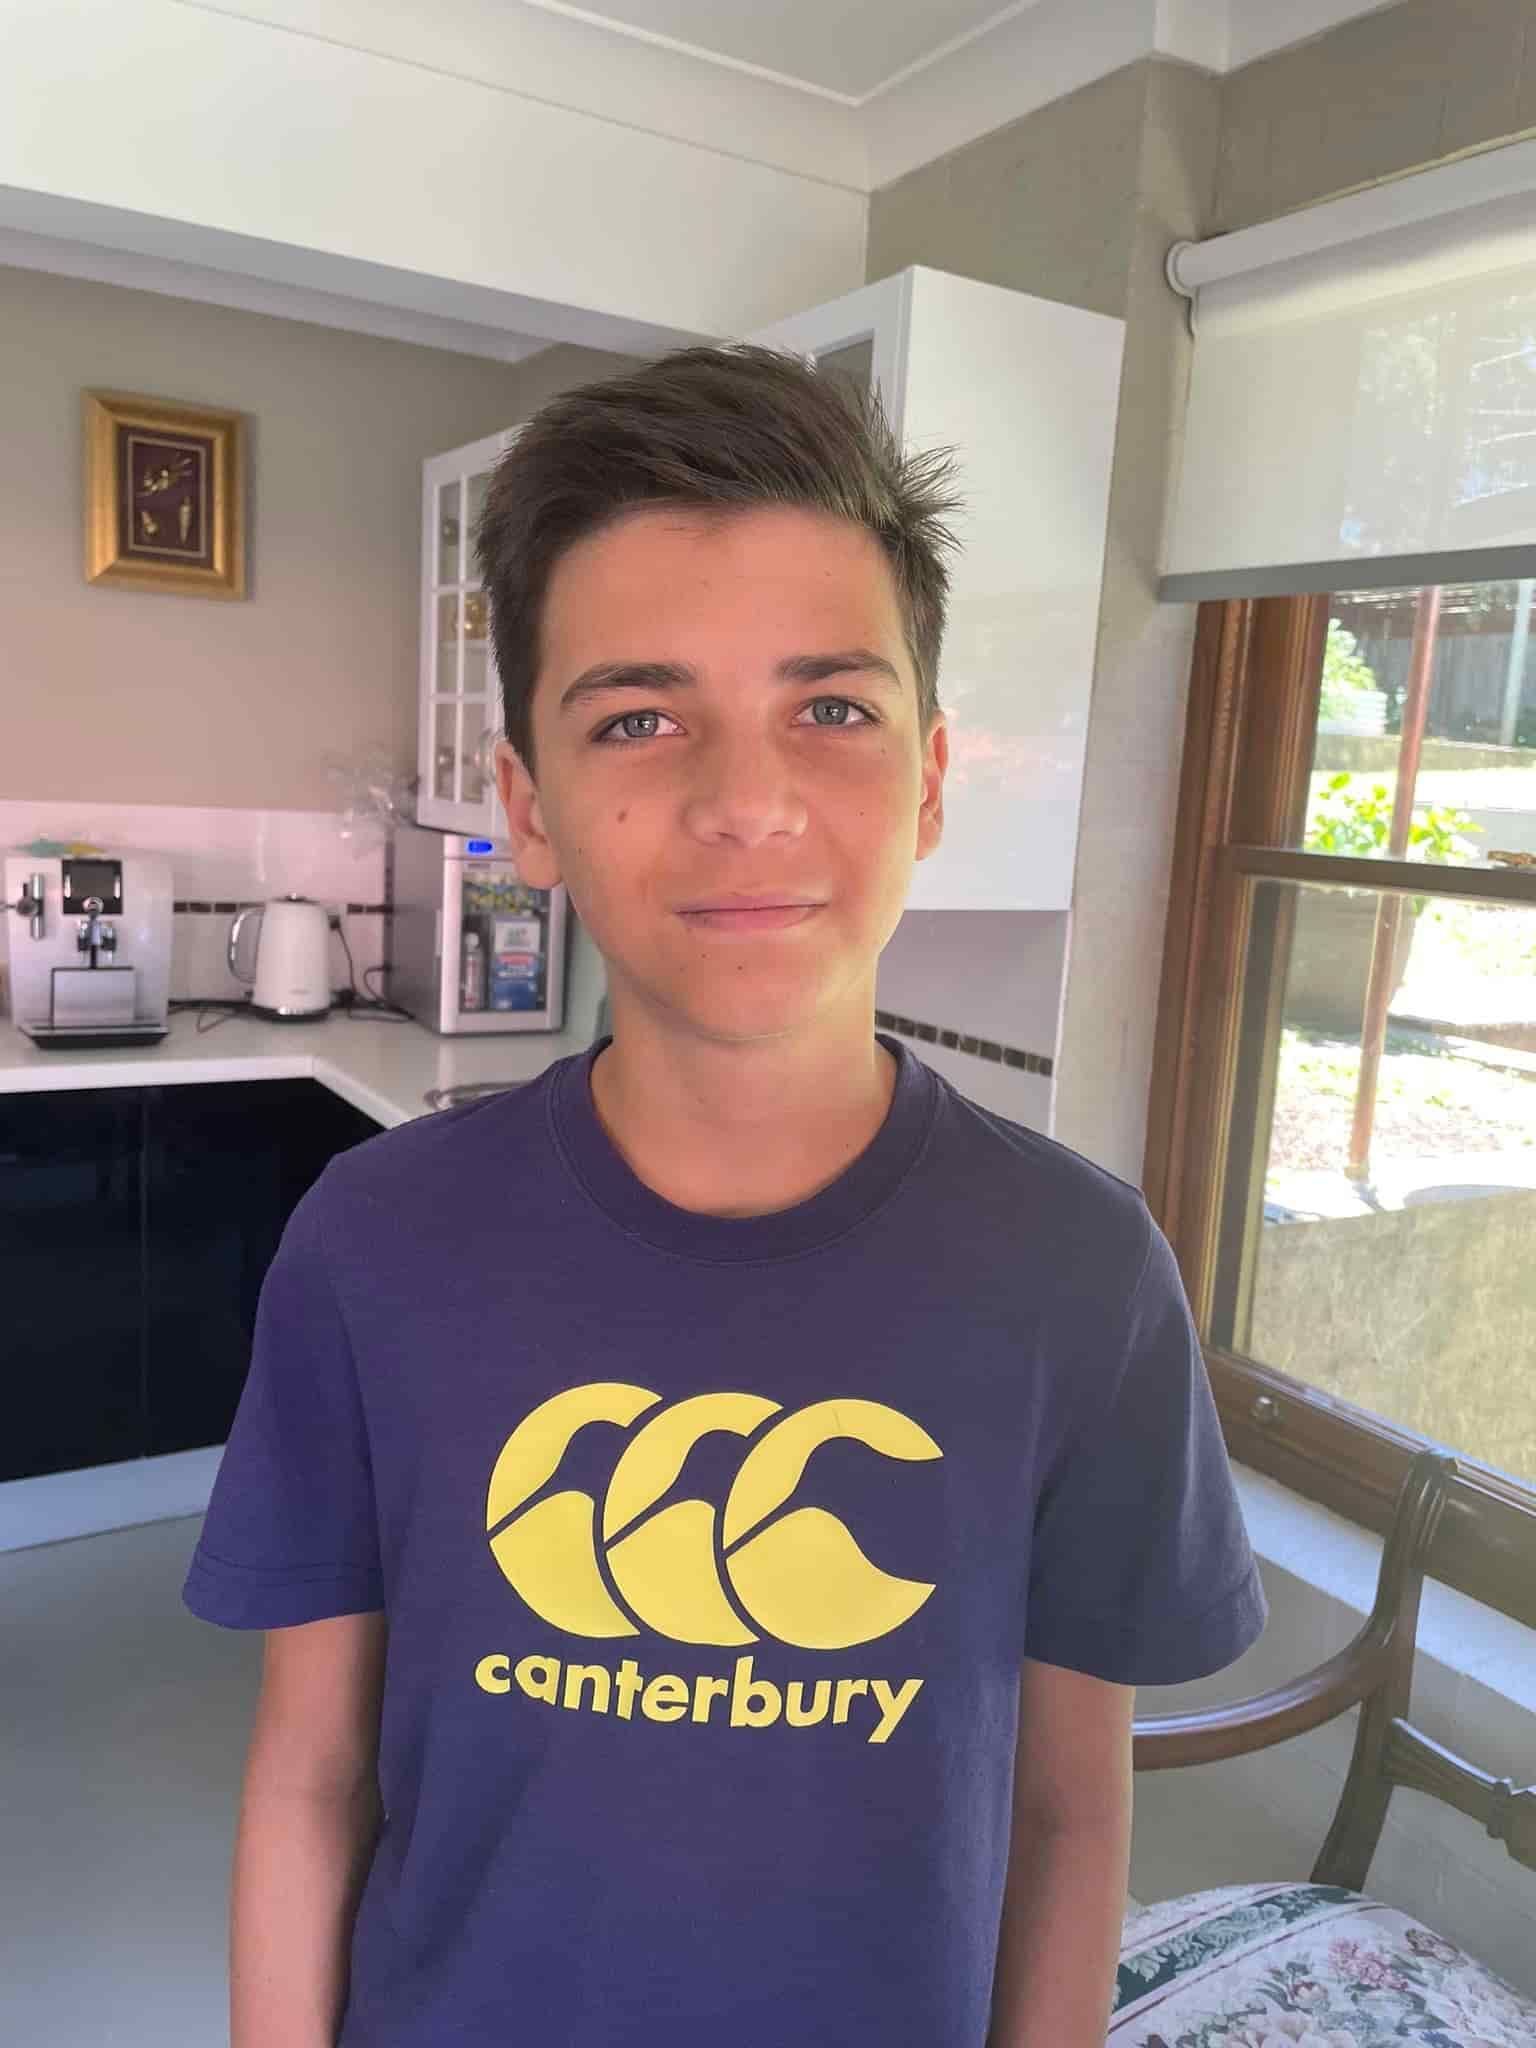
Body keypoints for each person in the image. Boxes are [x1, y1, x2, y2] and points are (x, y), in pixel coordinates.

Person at [182, 342, 1267, 2048]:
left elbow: (1067, 1819)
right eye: (640, 716)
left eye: (830, 708)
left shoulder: (1080, 1275)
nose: (745, 801)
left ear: (925, 782)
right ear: (529, 809)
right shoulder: (374, 1245)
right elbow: (312, 1779)